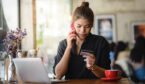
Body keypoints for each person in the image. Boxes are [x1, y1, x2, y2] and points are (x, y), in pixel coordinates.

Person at [53, 2, 110, 79]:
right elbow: (59, 74)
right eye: (79, 26)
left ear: (92, 25)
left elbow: (106, 74)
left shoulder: (100, 42)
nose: (82, 30)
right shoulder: (63, 44)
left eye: (87, 26)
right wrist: (68, 47)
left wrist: (93, 67)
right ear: (73, 25)